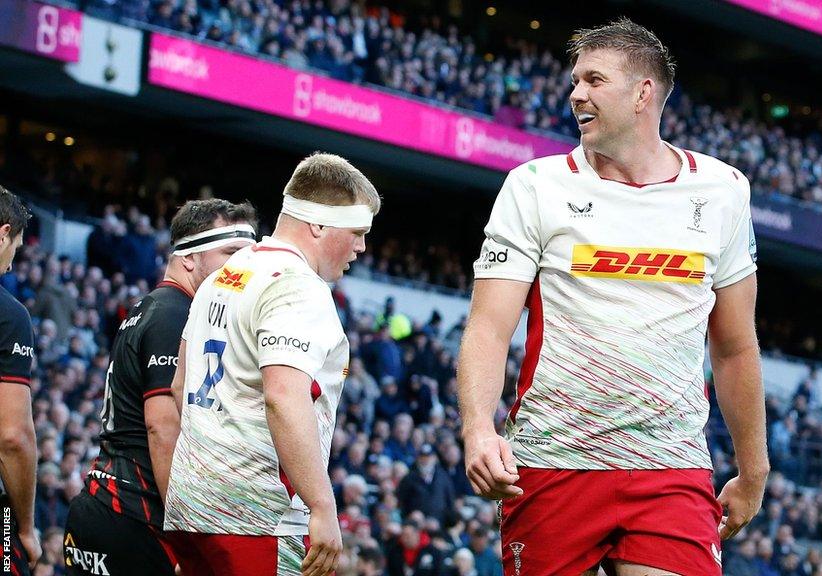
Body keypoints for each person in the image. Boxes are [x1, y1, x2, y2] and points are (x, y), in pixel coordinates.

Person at [457, 18, 768, 576]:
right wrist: (479, 428)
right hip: (554, 462)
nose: (576, 93)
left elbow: (736, 348)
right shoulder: (535, 186)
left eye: (594, 80)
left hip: (669, 468)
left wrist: (754, 469)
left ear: (643, 93)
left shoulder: (723, 191)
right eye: (575, 80)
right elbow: (488, 326)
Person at [163, 152, 380, 576]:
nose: (361, 246)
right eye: (357, 231)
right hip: (257, 515)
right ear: (317, 224)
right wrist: (321, 505)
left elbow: (179, 385)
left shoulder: (228, 271)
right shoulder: (299, 285)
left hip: (192, 504)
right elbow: (283, 396)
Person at [63, 199, 258, 576]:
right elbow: (162, 427)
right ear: (188, 258)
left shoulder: (150, 307)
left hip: (104, 504)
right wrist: (184, 532)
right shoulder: (175, 314)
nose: (243, 266)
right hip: (136, 515)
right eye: (231, 252)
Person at [0, 186, 41, 575]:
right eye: (16, 247)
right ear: (2, 233)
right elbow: (13, 436)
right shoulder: (10, 315)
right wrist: (24, 528)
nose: (13, 264)